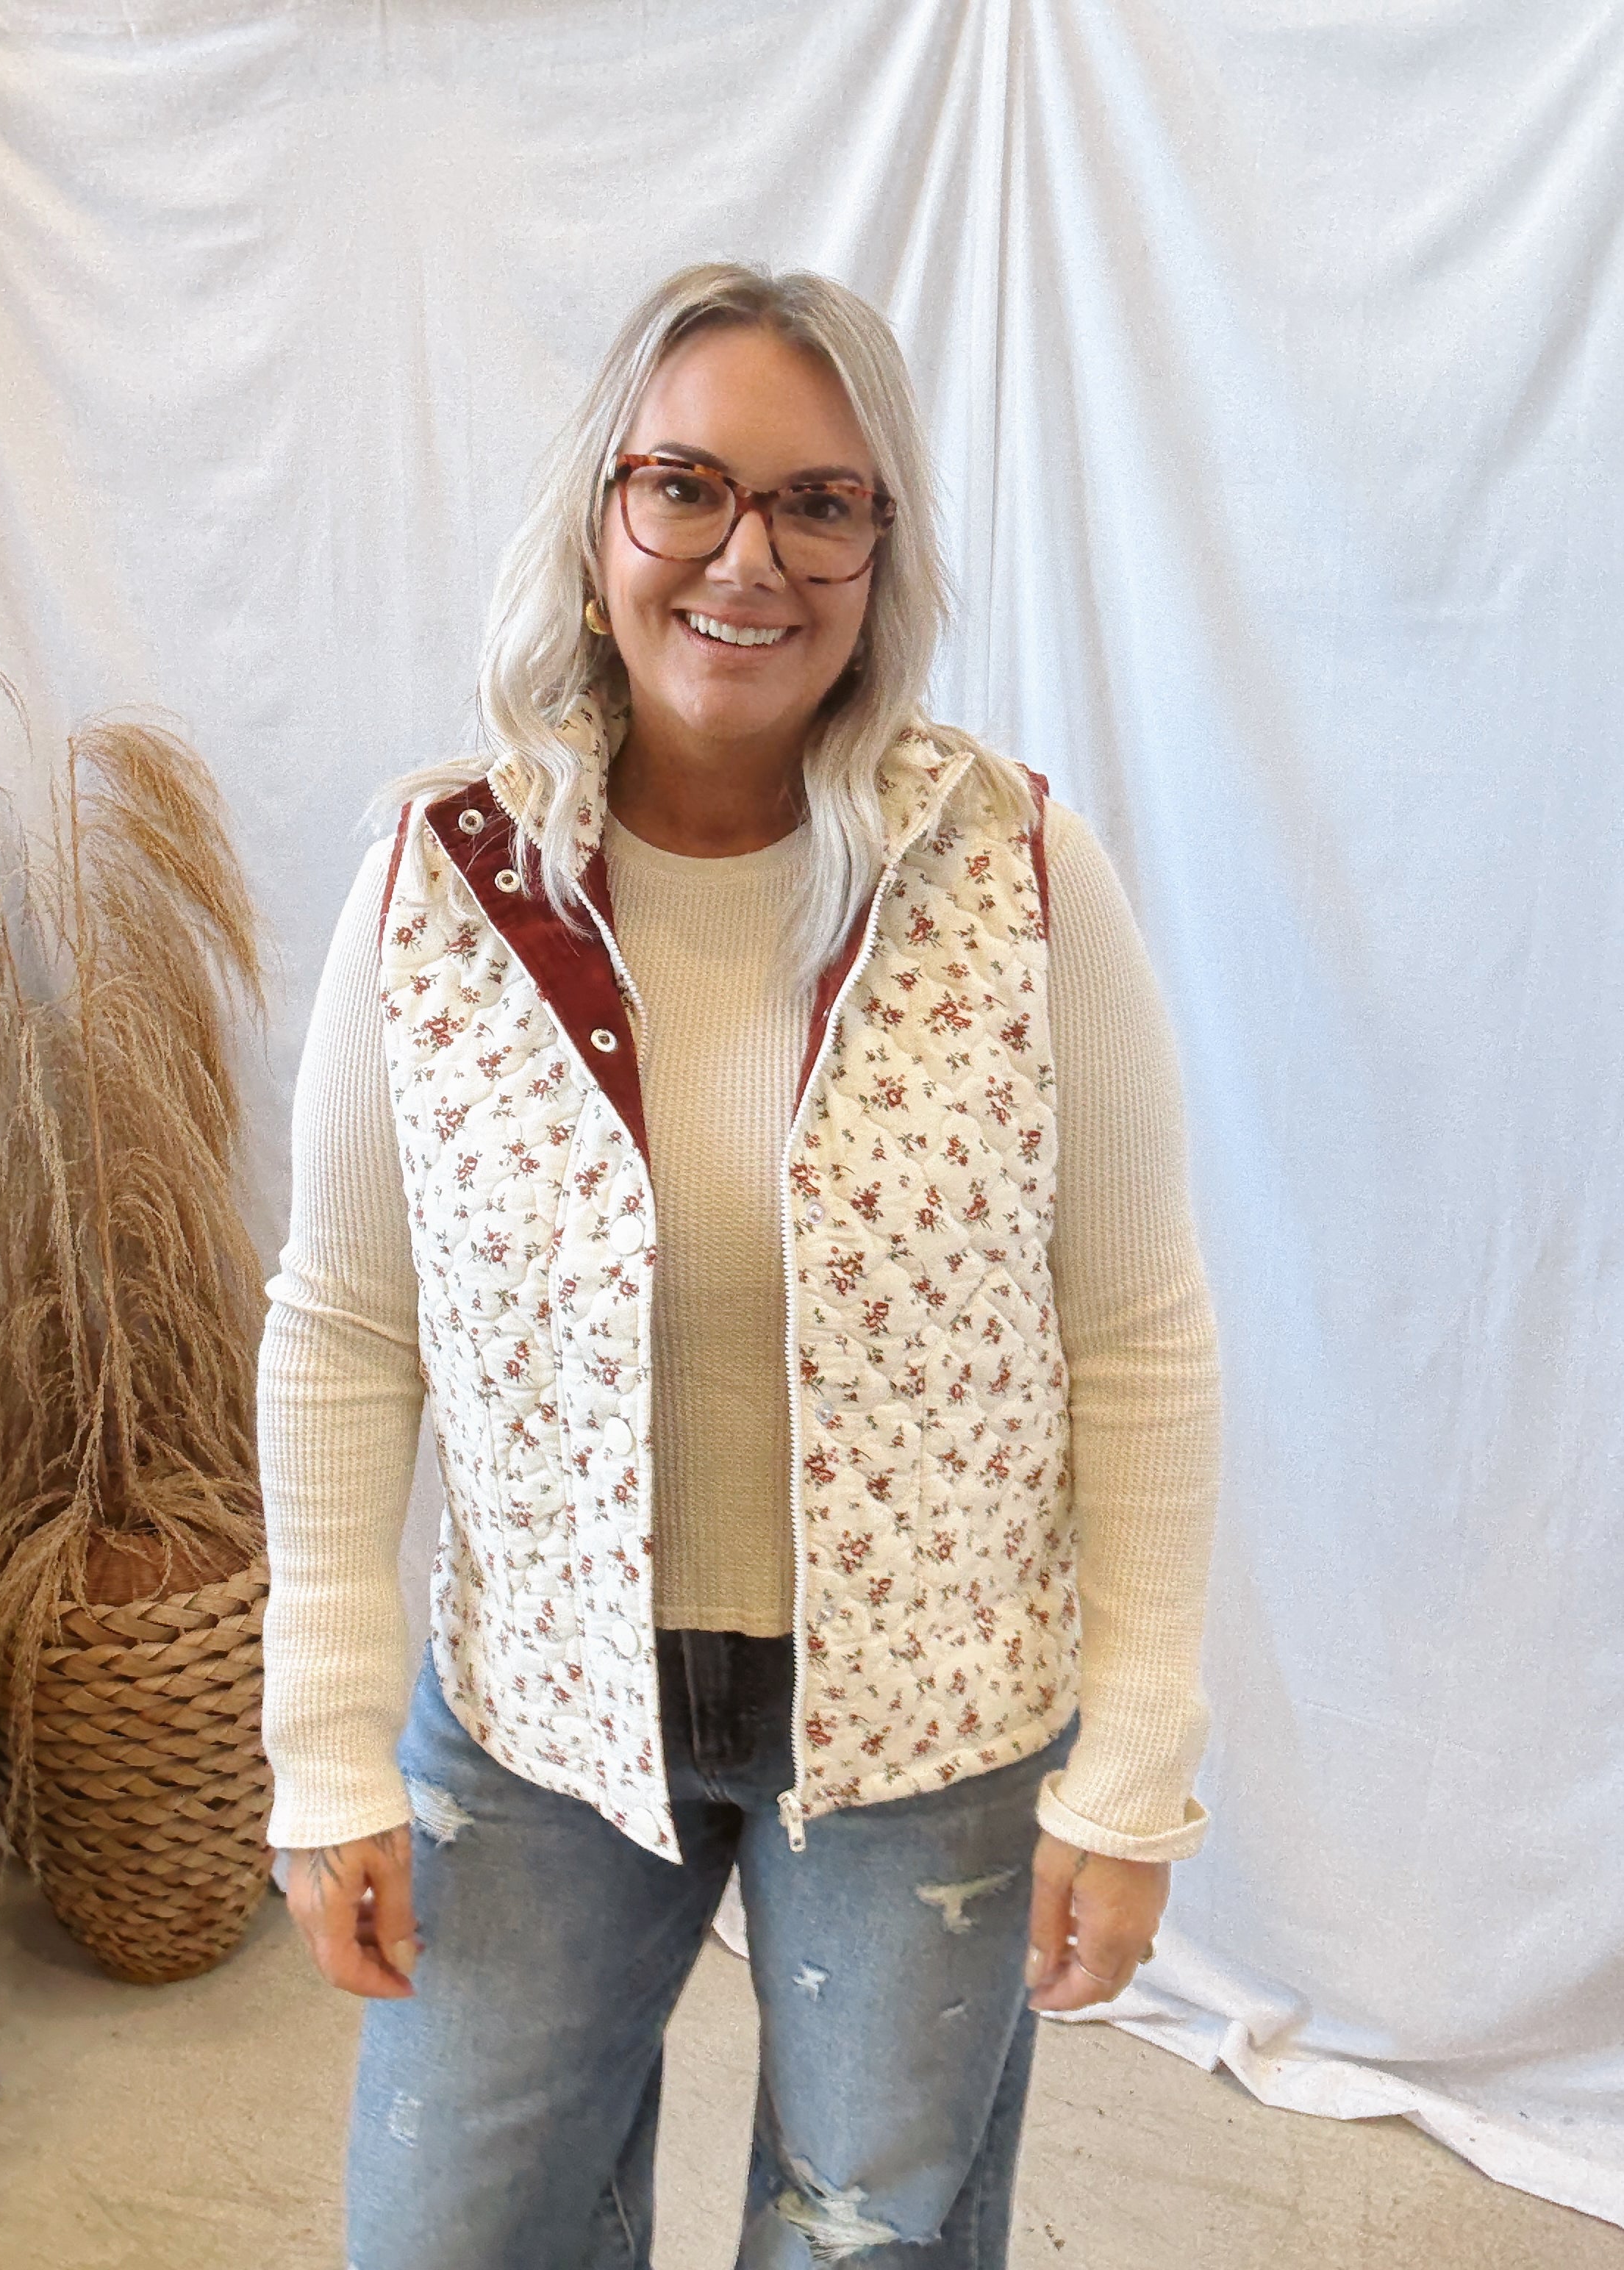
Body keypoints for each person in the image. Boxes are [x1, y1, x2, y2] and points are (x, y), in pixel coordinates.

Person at [258, 261, 1220, 2270]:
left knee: (870, 2233)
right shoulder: (443, 889)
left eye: (817, 502)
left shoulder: (1017, 876)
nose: (744, 558)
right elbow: (345, 1327)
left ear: (883, 549)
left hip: (927, 1722)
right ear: (602, 519)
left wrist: (1130, 1776)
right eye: (684, 486)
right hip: (535, 1711)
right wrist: (323, 1745)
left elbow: (1133, 1338)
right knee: (451, 2232)